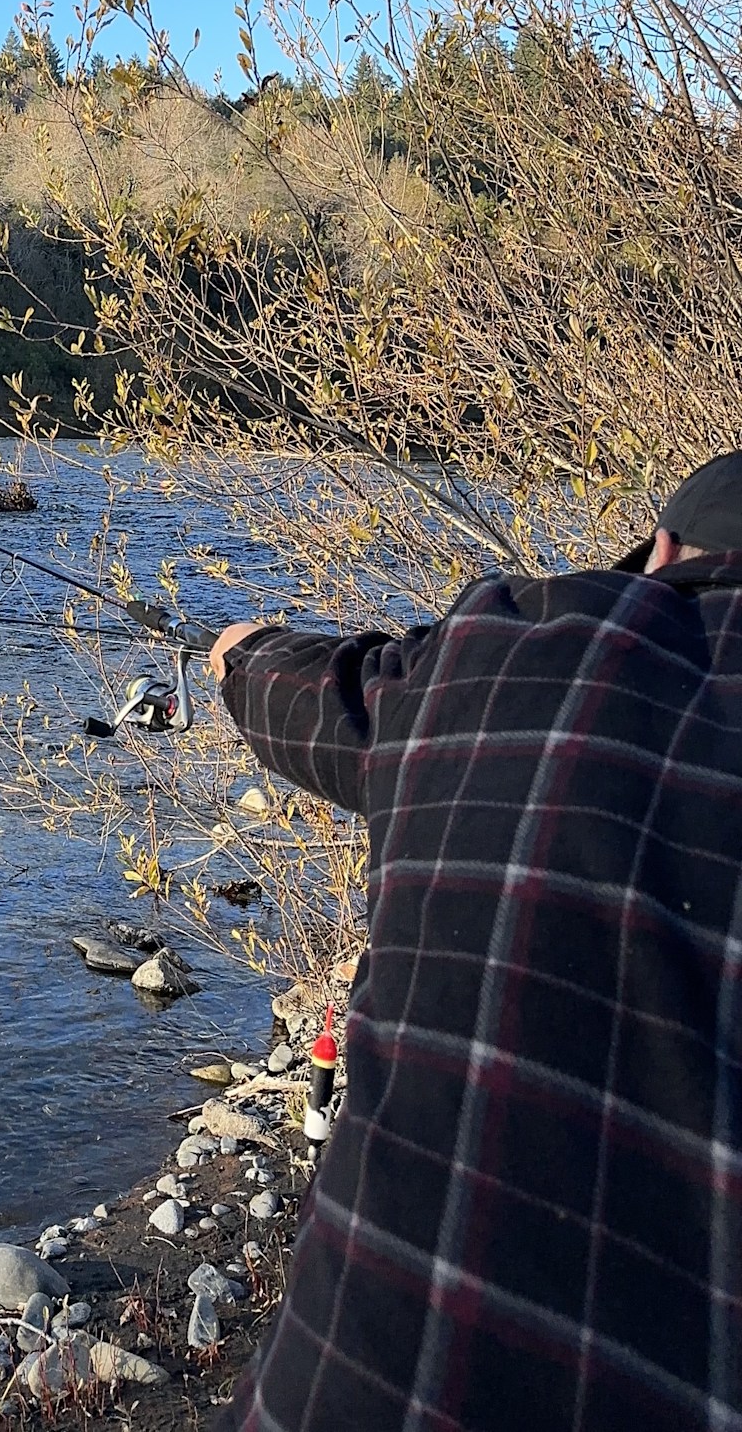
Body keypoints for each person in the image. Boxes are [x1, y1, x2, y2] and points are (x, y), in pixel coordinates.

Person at [205, 450, 742, 1431]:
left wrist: (236, 652)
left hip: (347, 1395)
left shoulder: (505, 648)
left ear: (663, 552)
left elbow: (313, 695)